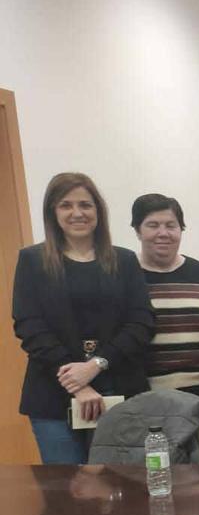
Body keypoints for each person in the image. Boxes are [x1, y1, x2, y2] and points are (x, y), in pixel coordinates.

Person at [13, 173, 154, 463]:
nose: (77, 213)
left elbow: (141, 322)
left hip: (120, 388)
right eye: (66, 205)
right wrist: (77, 382)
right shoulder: (32, 260)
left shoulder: (125, 260)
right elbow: (30, 326)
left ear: (98, 211)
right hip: (53, 397)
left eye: (85, 205)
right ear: (53, 212)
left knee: (121, 484)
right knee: (67, 488)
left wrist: (95, 365)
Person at [131, 193, 199, 408]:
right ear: (137, 230)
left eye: (171, 225)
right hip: (145, 396)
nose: (163, 233)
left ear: (181, 230)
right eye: (153, 225)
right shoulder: (127, 275)